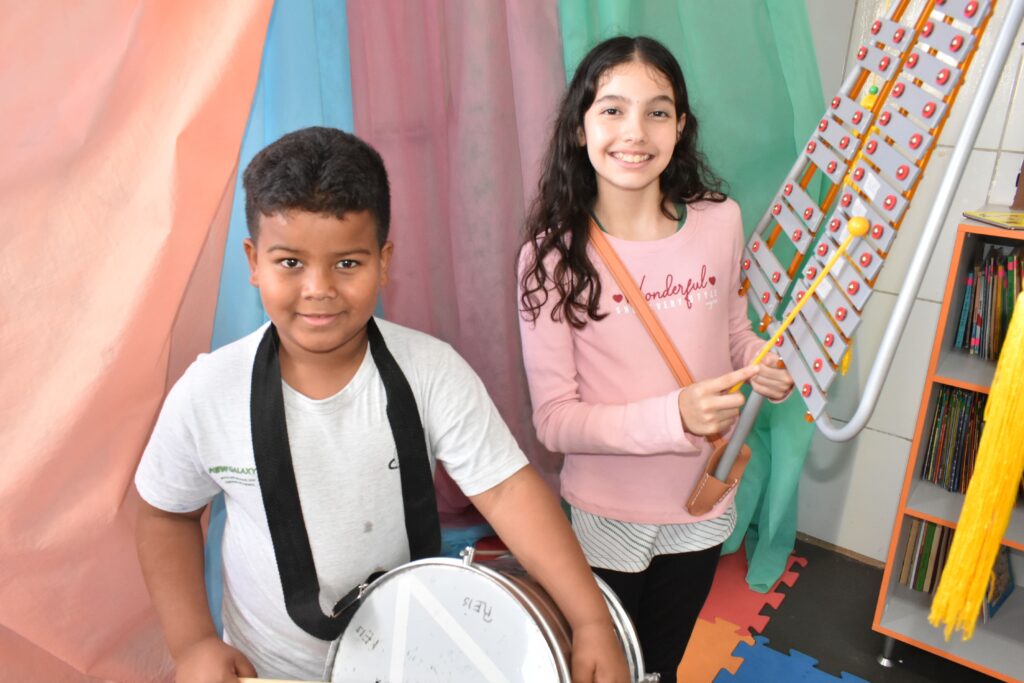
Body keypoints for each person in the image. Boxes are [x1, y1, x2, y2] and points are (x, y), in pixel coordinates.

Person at [135, 127, 629, 683]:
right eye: (290, 263)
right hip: (265, 671)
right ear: (253, 261)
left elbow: (508, 492)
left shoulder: (431, 371)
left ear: (383, 260)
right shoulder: (209, 391)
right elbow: (165, 514)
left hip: (408, 664)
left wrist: (590, 620)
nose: (318, 288)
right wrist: (193, 643)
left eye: (347, 263)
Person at [517, 36, 794, 682]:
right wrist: (675, 416)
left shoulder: (721, 220)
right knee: (602, 667)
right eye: (612, 109)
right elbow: (555, 420)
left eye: (658, 112)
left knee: (661, 666)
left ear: (682, 126)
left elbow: (733, 330)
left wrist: (763, 362)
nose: (635, 132)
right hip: (606, 513)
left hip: (703, 504)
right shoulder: (551, 257)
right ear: (580, 128)